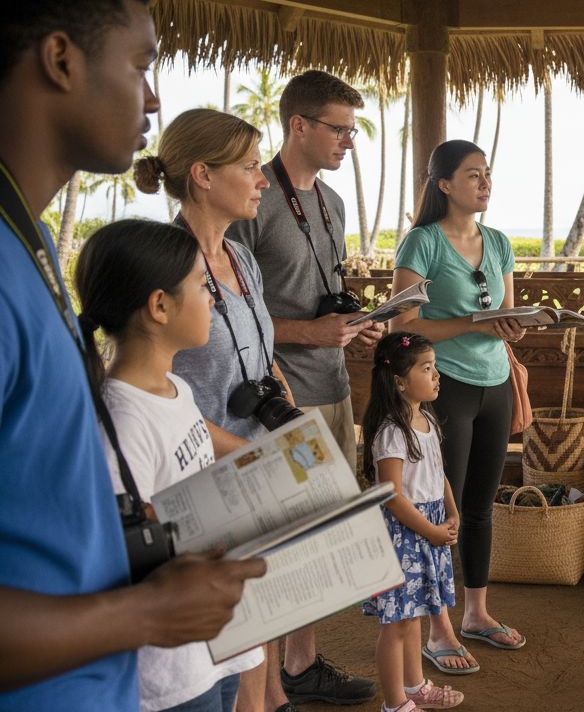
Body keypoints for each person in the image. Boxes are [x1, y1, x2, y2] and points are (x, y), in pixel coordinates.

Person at [0, 0, 264, 707]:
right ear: (60, 59)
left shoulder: (33, 244)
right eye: (141, 65)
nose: (152, 101)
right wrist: (143, 612)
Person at [134, 108, 307, 712]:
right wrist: (261, 453)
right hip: (203, 485)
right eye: (253, 167)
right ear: (204, 176)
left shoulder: (244, 259)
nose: (264, 180)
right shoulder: (164, 268)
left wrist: (292, 421)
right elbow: (153, 394)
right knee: (220, 650)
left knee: (255, 635)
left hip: (257, 469)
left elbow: (263, 358)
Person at [225, 68, 380, 708]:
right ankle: (262, 690)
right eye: (339, 130)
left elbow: (321, 296)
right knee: (274, 546)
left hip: (336, 385)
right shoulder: (254, 200)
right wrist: (311, 334)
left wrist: (352, 327)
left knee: (322, 537)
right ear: (299, 125)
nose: (348, 142)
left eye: (351, 130)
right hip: (280, 396)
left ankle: (301, 663)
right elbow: (228, 306)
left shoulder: (333, 203)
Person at [74, 219, 266, 711]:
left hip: (214, 637)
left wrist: (267, 461)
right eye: (203, 286)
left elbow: (196, 430)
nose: (213, 299)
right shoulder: (120, 418)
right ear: (159, 306)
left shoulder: (173, 387)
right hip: (170, 664)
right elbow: (122, 536)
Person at [391, 140, 528, 669]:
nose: (485, 182)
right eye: (473, 175)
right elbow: (403, 324)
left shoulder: (497, 242)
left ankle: (476, 613)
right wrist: (474, 323)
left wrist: (515, 326)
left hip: (494, 383)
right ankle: (438, 625)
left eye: (488, 173)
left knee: (479, 506)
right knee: (436, 506)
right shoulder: (422, 243)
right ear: (444, 185)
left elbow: (506, 316)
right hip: (443, 384)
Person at [361, 332, 466, 711]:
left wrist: (451, 513)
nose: (436, 375)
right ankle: (395, 704)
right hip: (403, 536)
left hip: (428, 528)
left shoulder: (426, 419)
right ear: (399, 381)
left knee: (416, 613)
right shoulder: (393, 431)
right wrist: (431, 530)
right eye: (427, 368)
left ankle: (415, 686)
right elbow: (391, 495)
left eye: (435, 367)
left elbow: (439, 475)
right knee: (397, 624)